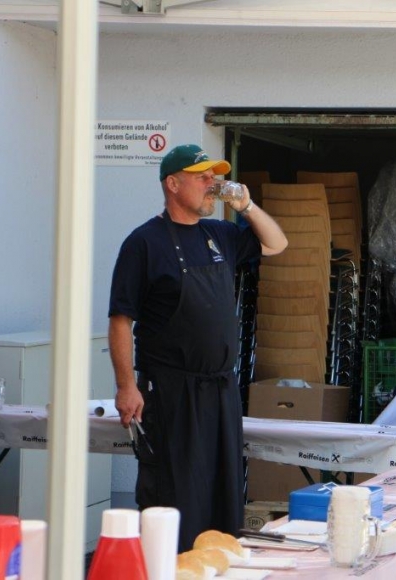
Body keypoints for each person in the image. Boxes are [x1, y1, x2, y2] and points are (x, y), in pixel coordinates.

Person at [108, 144, 287, 551]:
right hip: (170, 393)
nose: (213, 184)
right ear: (173, 184)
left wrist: (247, 206)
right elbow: (121, 319)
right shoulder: (143, 243)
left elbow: (277, 244)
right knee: (175, 497)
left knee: (222, 496)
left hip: (221, 390)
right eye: (202, 176)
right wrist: (126, 386)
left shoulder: (220, 234)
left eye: (215, 177)